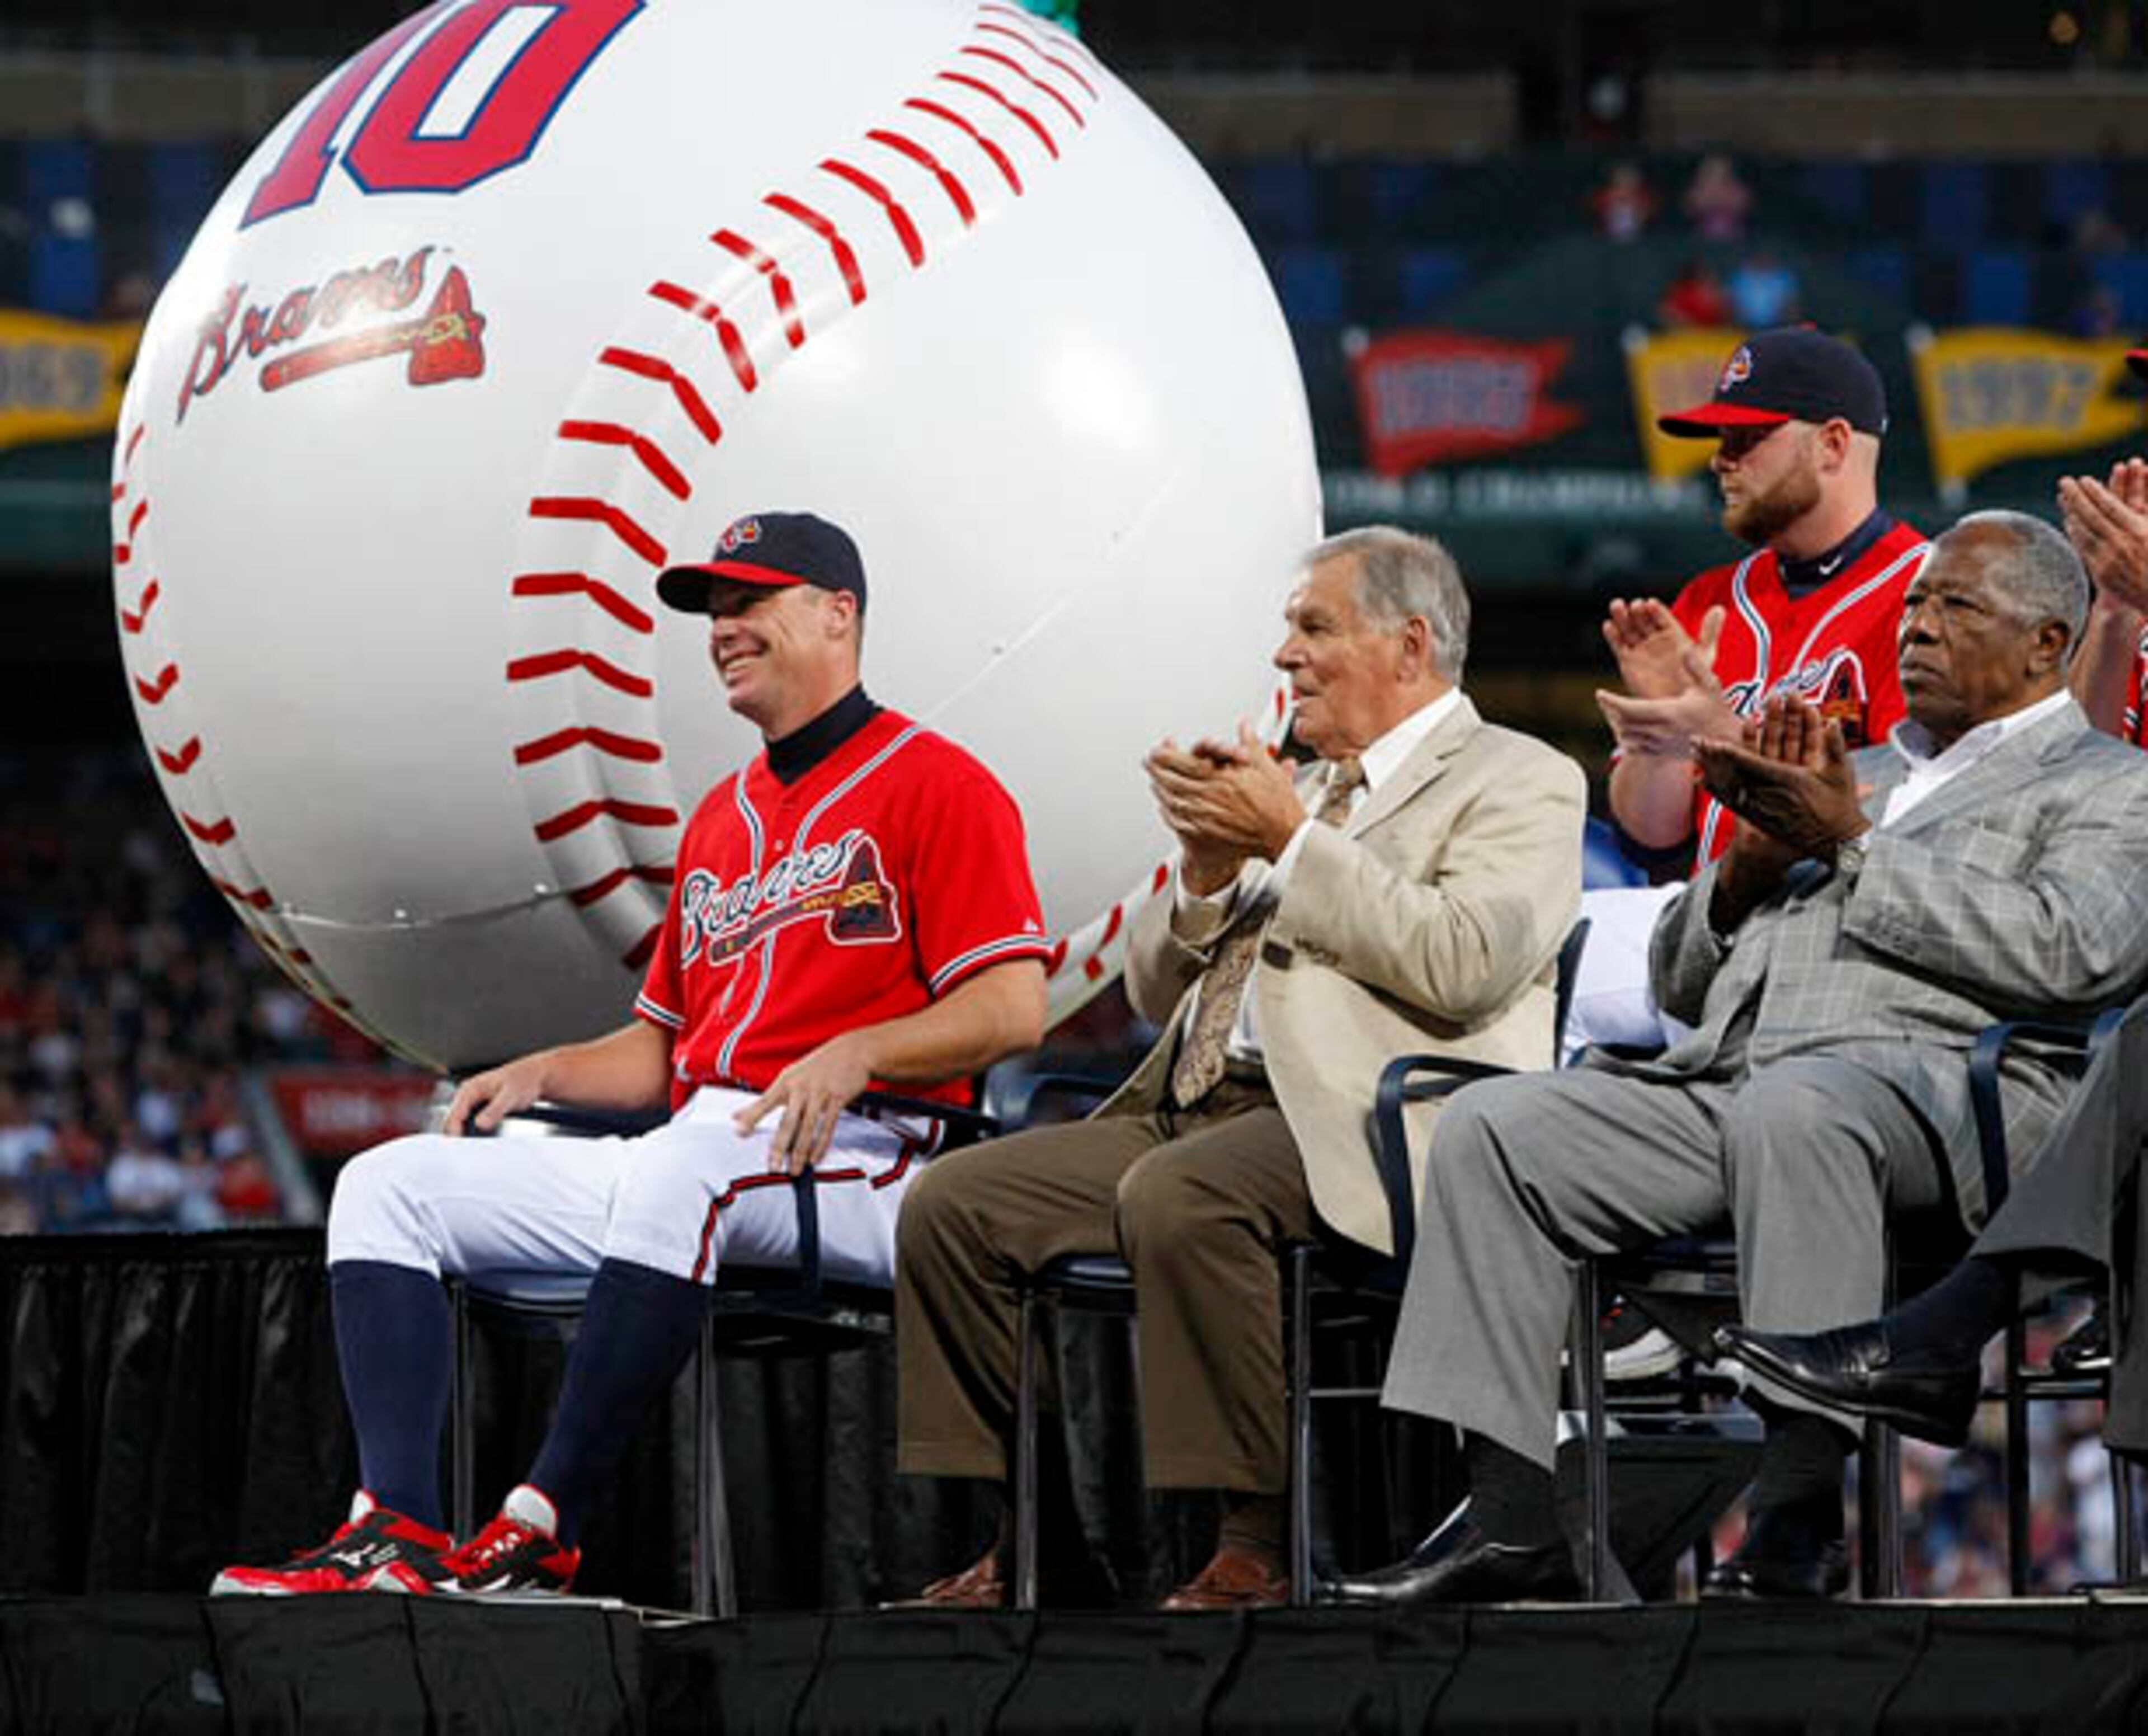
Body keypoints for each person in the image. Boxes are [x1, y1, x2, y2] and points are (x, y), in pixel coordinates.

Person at [213, 511, 1053, 1596]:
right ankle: (397, 1530)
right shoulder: (719, 819)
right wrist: (545, 1071)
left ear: (839, 613)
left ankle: (542, 1519)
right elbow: (667, 1052)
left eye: (750, 600)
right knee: (389, 1182)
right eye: (716, 608)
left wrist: (861, 1050)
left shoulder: (941, 784)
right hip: (709, 1147)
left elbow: (1013, 1005)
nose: (723, 627)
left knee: (680, 1167)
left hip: (871, 1154)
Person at [1327, 511, 2148, 1608]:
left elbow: (2071, 949)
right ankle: (1517, 1523)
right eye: (1913, 604)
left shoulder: (2109, 784)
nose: (1918, 627)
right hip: (1732, 1084)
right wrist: (1745, 873)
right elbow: (1678, 982)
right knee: (1497, 1128)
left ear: (2050, 642)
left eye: (1957, 605)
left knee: (1800, 1112)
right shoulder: (1852, 769)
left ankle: (1797, 1518)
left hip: (1951, 1100)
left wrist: (1845, 848)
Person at [893, 528, 1585, 1611]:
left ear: (1409, 646)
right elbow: (1156, 997)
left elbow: (1464, 962)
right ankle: (1039, 1535)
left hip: (1372, 1122)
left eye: (1315, 627)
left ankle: (1251, 1540)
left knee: (1180, 1193)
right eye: (1288, 631)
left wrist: (1294, 845)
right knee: (955, 1204)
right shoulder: (1297, 787)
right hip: (1202, 1103)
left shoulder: (1521, 778)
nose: (1285, 657)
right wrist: (1209, 873)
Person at [1573, 326, 1929, 1055]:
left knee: (1567, 981)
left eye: (1749, 438)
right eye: (1720, 439)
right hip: (1702, 921)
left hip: (1836, 934)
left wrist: (1728, 737)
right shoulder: (1709, 600)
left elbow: (1911, 821)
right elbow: (1651, 835)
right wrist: (1667, 744)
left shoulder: (1931, 597)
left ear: (1833, 444)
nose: (1720, 460)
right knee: (1543, 960)